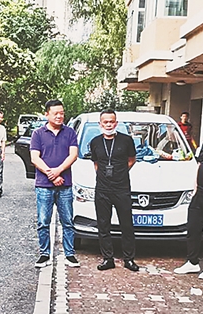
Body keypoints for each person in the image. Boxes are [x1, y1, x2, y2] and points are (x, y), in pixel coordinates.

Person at [30, 100, 79, 268]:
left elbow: (73, 155)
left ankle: (70, 254)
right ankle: (44, 254)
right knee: (43, 221)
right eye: (55, 113)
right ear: (47, 114)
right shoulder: (38, 134)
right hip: (44, 185)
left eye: (62, 113)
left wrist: (58, 170)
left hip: (65, 184)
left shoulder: (70, 132)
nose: (59, 116)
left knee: (68, 221)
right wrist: (52, 175)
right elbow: (35, 158)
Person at [88, 109, 138, 272]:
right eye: (106, 122)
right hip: (102, 189)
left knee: (127, 224)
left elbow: (131, 160)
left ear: (116, 123)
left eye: (111, 122)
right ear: (100, 124)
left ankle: (129, 259)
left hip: (122, 188)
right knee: (103, 225)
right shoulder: (95, 142)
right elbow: (96, 163)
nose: (109, 125)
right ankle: (107, 258)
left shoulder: (126, 140)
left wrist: (120, 173)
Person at [174, 108, 203, 279]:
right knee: (193, 229)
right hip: (200, 194)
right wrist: (195, 189)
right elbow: (200, 165)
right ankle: (192, 262)